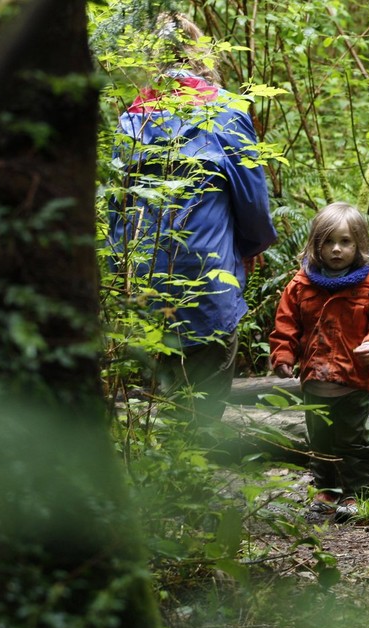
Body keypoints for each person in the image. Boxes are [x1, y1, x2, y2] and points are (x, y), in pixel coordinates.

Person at [107, 13, 277, 427]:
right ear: (201, 52)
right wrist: (252, 246)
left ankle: (166, 472)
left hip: (143, 273)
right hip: (209, 269)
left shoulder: (133, 118)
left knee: (158, 388)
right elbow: (252, 199)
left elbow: (117, 207)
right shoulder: (226, 109)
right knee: (208, 378)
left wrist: (119, 270)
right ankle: (197, 464)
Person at [269, 203, 369, 520]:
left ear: (359, 245)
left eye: (345, 241)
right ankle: (327, 489)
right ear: (316, 245)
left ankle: (357, 494)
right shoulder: (300, 286)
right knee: (320, 439)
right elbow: (286, 324)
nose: (336, 249)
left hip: (354, 380)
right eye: (328, 242)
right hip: (315, 379)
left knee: (354, 441)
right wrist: (283, 353)